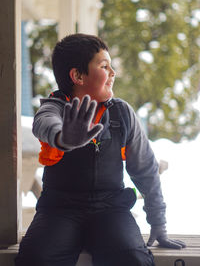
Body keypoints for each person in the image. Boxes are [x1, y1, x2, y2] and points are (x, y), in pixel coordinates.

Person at [15, 33, 185, 266]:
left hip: (111, 209)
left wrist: (158, 222)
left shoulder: (122, 113)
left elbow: (145, 169)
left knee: (132, 258)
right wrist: (64, 138)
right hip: (59, 209)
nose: (113, 73)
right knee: (37, 258)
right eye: (105, 66)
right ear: (77, 75)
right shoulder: (53, 109)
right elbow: (44, 125)